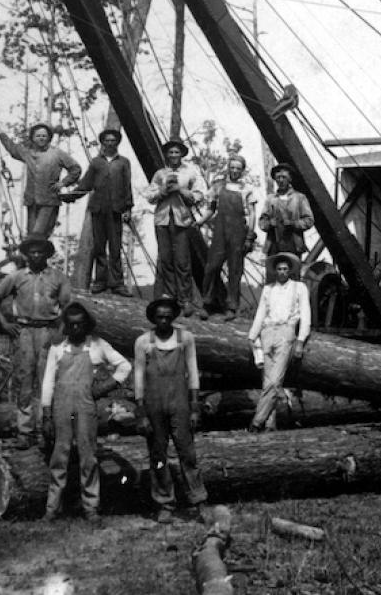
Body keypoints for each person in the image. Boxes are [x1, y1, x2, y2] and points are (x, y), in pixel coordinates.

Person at [40, 302, 131, 523]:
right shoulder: (57, 349)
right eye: (71, 325)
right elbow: (48, 382)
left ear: (87, 325)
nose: (76, 329)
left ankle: (91, 507)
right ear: (66, 326)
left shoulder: (97, 346)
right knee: (59, 455)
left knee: (87, 455)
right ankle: (52, 508)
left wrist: (103, 388)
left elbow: (124, 367)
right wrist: (46, 413)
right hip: (61, 407)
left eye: (80, 324)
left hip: (85, 406)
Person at [0, 233, 72, 450]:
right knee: (25, 381)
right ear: (26, 255)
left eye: (40, 252)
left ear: (47, 254)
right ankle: (25, 432)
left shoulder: (58, 278)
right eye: (32, 252)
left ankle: (47, 430)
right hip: (24, 332)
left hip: (48, 331)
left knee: (48, 382)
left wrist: (60, 332)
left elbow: (67, 308)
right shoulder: (17, 277)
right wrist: (4, 324)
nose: (36, 255)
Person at [134, 296, 208, 523]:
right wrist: (141, 412)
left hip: (180, 403)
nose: (164, 321)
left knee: (187, 453)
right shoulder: (143, 342)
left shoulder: (185, 338)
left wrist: (195, 406)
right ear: (153, 318)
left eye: (168, 317)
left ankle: (199, 500)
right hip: (153, 404)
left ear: (174, 317)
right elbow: (138, 376)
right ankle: (164, 502)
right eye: (160, 317)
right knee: (158, 455)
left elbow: (193, 371)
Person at [142, 138, 208, 318]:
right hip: (162, 220)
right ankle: (170, 297)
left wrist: (180, 190)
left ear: (182, 154)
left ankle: (185, 299)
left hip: (182, 220)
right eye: (170, 152)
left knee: (182, 261)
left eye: (176, 152)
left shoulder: (190, 172)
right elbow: (149, 194)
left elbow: (200, 195)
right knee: (166, 259)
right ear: (167, 155)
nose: (173, 155)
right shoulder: (160, 174)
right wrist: (163, 191)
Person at [247, 253, 310, 432]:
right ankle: (270, 424)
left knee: (275, 381)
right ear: (275, 271)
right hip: (267, 332)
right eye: (279, 269)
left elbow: (306, 316)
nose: (282, 272)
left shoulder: (299, 288)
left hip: (286, 331)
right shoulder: (268, 289)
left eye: (285, 269)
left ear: (290, 271)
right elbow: (260, 313)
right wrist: (253, 335)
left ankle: (256, 422)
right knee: (267, 382)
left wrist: (300, 340)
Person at [66, 128, 133, 296]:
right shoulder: (96, 162)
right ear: (102, 143)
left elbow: (127, 187)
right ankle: (100, 282)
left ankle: (117, 284)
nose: (110, 143)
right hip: (98, 209)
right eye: (106, 141)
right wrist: (71, 196)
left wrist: (128, 208)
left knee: (116, 248)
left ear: (117, 143)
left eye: (113, 140)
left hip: (116, 210)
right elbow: (86, 184)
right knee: (99, 247)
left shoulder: (123, 162)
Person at [0, 121, 82, 237]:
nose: (41, 138)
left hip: (49, 201)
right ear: (33, 138)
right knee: (31, 237)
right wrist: (0, 132)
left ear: (49, 138)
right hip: (32, 201)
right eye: (38, 136)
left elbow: (75, 169)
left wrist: (63, 183)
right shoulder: (28, 153)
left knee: (39, 234)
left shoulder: (57, 154)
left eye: (44, 136)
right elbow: (13, 150)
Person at [199, 154, 258, 321]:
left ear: (242, 171)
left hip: (238, 232)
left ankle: (232, 307)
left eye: (238, 169)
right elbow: (211, 209)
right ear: (228, 168)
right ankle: (207, 304)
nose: (234, 171)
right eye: (232, 167)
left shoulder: (246, 190)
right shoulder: (218, 186)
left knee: (235, 270)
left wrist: (249, 236)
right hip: (220, 231)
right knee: (212, 266)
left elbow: (252, 214)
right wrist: (200, 222)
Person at [258, 163, 314, 280]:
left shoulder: (300, 198)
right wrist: (269, 224)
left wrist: (294, 224)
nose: (281, 180)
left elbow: (309, 220)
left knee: (293, 278)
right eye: (278, 178)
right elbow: (262, 222)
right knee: (272, 279)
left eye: (284, 177)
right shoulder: (271, 199)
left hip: (293, 244)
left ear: (290, 179)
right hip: (274, 245)